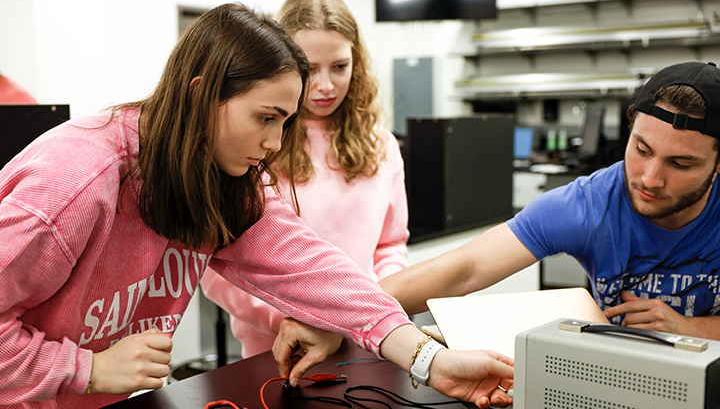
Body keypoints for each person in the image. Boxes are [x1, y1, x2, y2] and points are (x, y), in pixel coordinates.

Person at [0, 2, 512, 409]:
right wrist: (87, 369)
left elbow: (316, 271)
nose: (273, 144)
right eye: (265, 118)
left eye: (285, 122)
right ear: (202, 94)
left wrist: (431, 361)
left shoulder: (222, 175)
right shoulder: (75, 182)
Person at [279, 61, 720, 369]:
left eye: (681, 165)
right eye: (640, 149)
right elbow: (465, 268)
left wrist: (690, 328)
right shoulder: (591, 203)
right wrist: (341, 317)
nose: (650, 177)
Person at [200, 0, 409, 360]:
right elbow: (219, 267)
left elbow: (389, 245)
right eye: (309, 69)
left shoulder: (382, 144)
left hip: (368, 339)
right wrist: (292, 319)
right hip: (278, 347)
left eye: (340, 67)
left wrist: (367, 311)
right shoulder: (249, 144)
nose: (326, 85)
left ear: (356, 62)